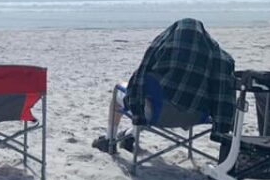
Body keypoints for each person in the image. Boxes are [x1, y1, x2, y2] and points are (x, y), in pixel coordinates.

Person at [93, 18, 236, 153]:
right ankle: (130, 136)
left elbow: (137, 83)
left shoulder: (160, 54)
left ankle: (110, 139)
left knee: (135, 92)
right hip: (197, 116)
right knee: (150, 95)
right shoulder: (217, 63)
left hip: (158, 114)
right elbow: (225, 97)